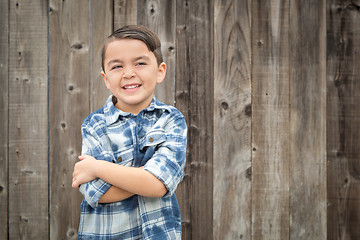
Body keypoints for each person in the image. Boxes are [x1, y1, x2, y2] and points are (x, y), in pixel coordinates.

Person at [72, 25, 187, 240]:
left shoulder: (170, 120)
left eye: (140, 63)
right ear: (106, 78)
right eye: (117, 66)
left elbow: (158, 185)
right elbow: (98, 193)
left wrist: (97, 167)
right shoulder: (95, 125)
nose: (128, 73)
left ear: (160, 71)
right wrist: (147, 177)